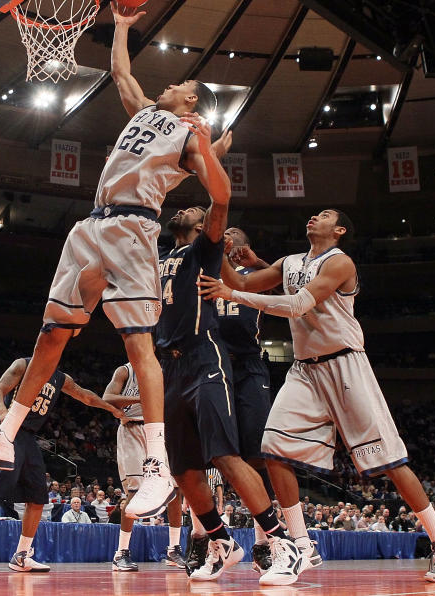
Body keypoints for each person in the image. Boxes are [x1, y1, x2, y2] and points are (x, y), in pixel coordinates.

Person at [0, 3, 231, 520]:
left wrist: (210, 147)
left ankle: (155, 464)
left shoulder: (190, 135)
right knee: (52, 334)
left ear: (191, 99)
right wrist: (122, 27)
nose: (167, 85)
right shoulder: (147, 112)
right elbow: (121, 74)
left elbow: (221, 193)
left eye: (178, 85)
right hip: (90, 227)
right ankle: (4, 435)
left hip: (133, 227)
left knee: (136, 340)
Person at [198, 208, 435, 585]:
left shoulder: (341, 262)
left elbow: (296, 305)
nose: (312, 217)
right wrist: (221, 253)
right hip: (305, 368)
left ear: (338, 230)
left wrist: (233, 294)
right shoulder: (289, 261)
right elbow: (247, 281)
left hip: (346, 365)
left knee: (389, 460)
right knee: (272, 449)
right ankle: (302, 544)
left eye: (323, 215)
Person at [155, 200, 294, 584]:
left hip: (222, 363)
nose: (185, 208)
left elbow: (274, 282)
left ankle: (278, 541)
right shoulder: (168, 255)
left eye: (195, 210)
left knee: (238, 456)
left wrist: (203, 153)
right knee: (183, 470)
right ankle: (218, 540)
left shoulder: (214, 257)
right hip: (175, 362)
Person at [0, 357, 124, 573]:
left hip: (28, 437)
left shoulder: (60, 378)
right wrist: (4, 413)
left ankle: (21, 555)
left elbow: (85, 396)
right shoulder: (23, 365)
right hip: (6, 429)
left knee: (37, 495)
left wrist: (111, 408)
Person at [214, 226, 281, 574]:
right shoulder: (208, 266)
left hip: (249, 366)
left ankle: (263, 542)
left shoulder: (255, 271)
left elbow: (287, 288)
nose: (227, 232)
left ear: (246, 243)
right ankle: (212, 542)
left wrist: (257, 261)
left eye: (234, 230)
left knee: (256, 456)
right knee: (214, 455)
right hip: (213, 365)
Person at [103, 362, 186, 571]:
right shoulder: (125, 370)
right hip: (132, 430)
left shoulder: (164, 370)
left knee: (175, 489)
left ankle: (174, 549)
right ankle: (121, 552)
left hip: (158, 432)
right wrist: (144, 398)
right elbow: (108, 398)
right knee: (135, 490)